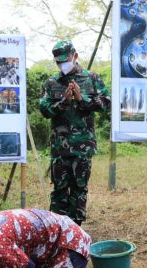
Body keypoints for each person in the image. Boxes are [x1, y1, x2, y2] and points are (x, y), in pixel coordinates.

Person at [39, 40, 110, 226]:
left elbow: (105, 103)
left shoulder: (91, 78)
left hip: (82, 147)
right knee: (59, 190)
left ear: (75, 56)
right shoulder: (51, 82)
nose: (62, 64)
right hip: (59, 149)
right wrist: (63, 102)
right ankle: (57, 231)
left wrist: (81, 99)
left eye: (66, 59)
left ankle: (75, 231)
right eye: (58, 62)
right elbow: (44, 110)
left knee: (79, 189)